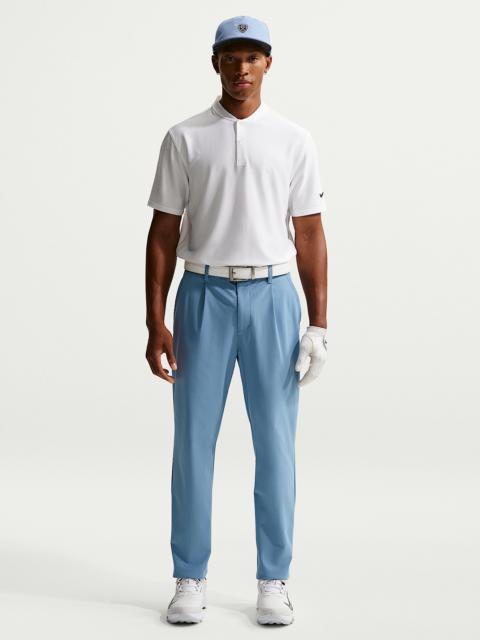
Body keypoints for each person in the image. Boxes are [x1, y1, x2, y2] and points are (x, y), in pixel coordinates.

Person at [144, 15, 328, 626]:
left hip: (274, 297)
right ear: (215, 62)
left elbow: (309, 233)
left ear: (268, 63)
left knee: (275, 444)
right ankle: (189, 576)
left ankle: (274, 580)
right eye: (231, 57)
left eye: (252, 57)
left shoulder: (294, 139)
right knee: (193, 444)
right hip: (202, 295)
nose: (241, 68)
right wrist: (155, 321)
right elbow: (163, 232)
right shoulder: (185, 137)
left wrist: (319, 325)